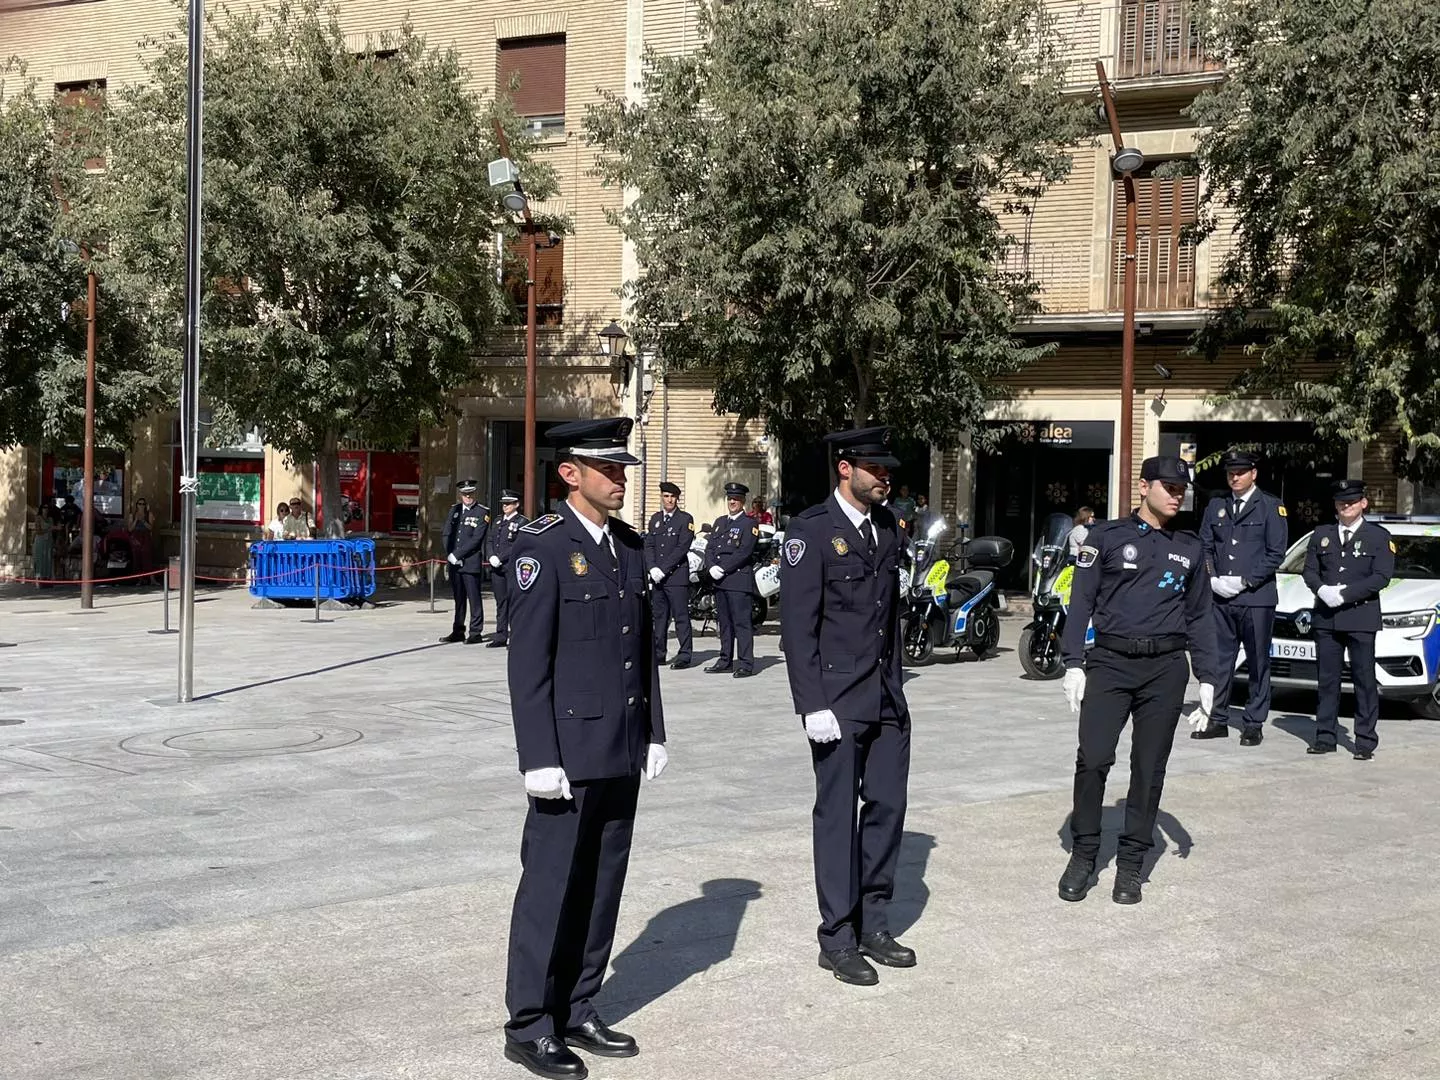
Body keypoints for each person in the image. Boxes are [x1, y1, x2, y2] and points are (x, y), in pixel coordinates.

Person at [502, 417, 668, 1080]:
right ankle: (530, 1023)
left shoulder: (628, 547)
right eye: (608, 468)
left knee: (603, 885)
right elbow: (528, 664)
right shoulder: (540, 548)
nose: (621, 478)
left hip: (620, 745)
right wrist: (537, 756)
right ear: (569, 473)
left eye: (623, 468)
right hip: (567, 753)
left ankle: (578, 1004)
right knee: (551, 889)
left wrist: (653, 730)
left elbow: (642, 651)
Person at [780, 426, 913, 987]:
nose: (885, 478)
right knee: (837, 818)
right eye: (875, 470)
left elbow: (890, 619)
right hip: (836, 699)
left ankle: (874, 922)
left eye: (888, 471)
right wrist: (811, 704)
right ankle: (836, 935)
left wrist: (898, 685)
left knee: (886, 808)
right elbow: (796, 627)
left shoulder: (888, 528)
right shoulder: (810, 532)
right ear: (845, 469)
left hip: (884, 695)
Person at [1057, 456, 1219, 906]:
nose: (1176, 494)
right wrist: (1073, 663)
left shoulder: (1190, 547)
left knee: (1149, 769)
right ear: (1143, 487)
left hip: (1165, 669)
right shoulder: (1104, 537)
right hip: (1110, 662)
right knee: (1093, 758)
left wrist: (1208, 677)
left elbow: (1201, 616)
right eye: (1167, 486)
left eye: (1181, 488)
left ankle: (1130, 864)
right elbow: (1081, 602)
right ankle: (1084, 853)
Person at [1193, 450, 1288, 746]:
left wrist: (1246, 580)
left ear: (1253, 474)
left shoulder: (1271, 507)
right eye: (1231, 472)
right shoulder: (1216, 505)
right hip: (1221, 598)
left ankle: (1253, 723)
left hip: (1256, 598)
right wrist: (1212, 578)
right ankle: (1218, 718)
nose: (1235, 477)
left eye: (1241, 472)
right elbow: (1205, 545)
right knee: (1221, 660)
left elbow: (1276, 553)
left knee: (1258, 662)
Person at [1301, 480, 1394, 760]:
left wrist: (1345, 594)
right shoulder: (1322, 534)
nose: (1346, 506)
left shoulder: (1378, 536)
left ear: (1363, 503)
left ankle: (1365, 740)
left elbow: (1381, 577)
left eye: (1352, 501)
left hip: (1360, 618)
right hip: (1326, 619)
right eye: (1341, 501)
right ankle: (1325, 736)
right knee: (1327, 680)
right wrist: (1322, 590)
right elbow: (1309, 571)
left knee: (1364, 680)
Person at [704, 481, 759, 677]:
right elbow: (709, 547)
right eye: (730, 499)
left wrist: (723, 568)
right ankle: (725, 660)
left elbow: (744, 551)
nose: (732, 502)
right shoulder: (720, 522)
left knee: (742, 623)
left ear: (743, 501)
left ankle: (745, 663)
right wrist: (711, 566)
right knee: (724, 623)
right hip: (720, 581)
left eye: (736, 499)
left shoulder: (749, 523)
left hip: (737, 580)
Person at [645, 481, 696, 669]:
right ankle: (659, 653)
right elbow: (649, 544)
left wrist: (663, 569)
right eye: (666, 496)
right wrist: (651, 567)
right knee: (659, 617)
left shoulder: (685, 519)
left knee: (681, 617)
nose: (669, 500)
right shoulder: (655, 519)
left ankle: (684, 654)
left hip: (676, 577)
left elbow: (682, 548)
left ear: (677, 498)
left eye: (672, 496)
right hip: (658, 578)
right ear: (661, 498)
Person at [439, 480, 489, 644]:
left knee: (474, 598)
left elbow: (476, 539)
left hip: (470, 562)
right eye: (465, 494)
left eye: (470, 494)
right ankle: (458, 630)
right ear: (460, 495)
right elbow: (447, 533)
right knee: (458, 598)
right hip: (455, 562)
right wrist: (451, 554)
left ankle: (475, 632)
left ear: (474, 494)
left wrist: (459, 554)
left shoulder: (482, 512)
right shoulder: (454, 510)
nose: (468, 497)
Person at [486, 490, 527, 648]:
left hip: (511, 567)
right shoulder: (497, 521)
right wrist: (490, 556)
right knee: (501, 603)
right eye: (504, 504)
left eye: (509, 503)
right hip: (497, 568)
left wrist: (501, 558)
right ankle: (500, 635)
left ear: (516, 504)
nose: (505, 506)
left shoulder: (522, 522)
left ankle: (516, 636)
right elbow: (489, 540)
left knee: (514, 602)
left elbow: (518, 545)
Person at [129, 498, 156, 583]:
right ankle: (140, 579)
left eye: (143, 504)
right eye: (139, 504)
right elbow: (130, 529)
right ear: (136, 505)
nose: (141, 506)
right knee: (137, 558)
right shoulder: (132, 515)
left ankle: (152, 579)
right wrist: (136, 519)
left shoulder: (149, 514)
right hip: (136, 536)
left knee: (147, 557)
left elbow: (151, 527)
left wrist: (143, 521)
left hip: (145, 536)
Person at [32, 505, 57, 585]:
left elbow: (53, 530)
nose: (46, 509)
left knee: (48, 558)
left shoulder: (50, 519)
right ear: (41, 509)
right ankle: (39, 577)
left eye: (47, 508)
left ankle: (48, 577)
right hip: (40, 540)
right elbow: (38, 531)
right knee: (40, 558)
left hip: (49, 540)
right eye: (44, 508)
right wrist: (49, 529)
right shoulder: (38, 518)